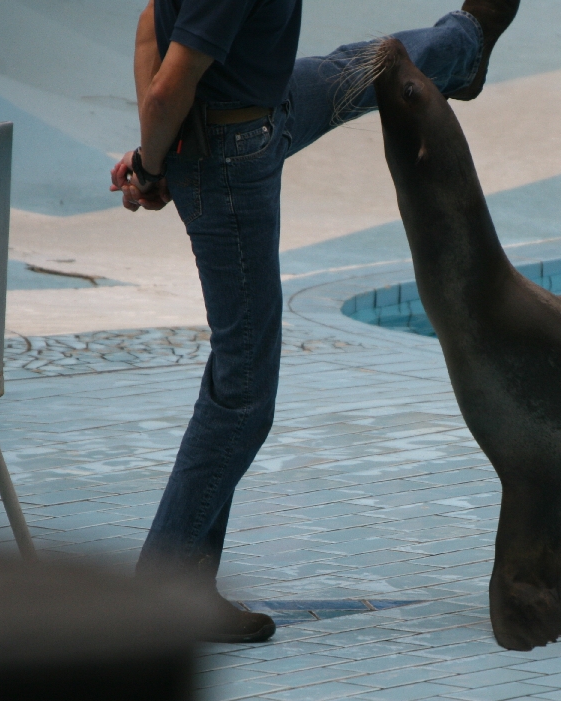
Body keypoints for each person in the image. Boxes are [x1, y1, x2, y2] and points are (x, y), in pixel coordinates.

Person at [109, 0, 519, 643]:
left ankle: (467, 44)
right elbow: (167, 89)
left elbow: (148, 24)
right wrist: (155, 164)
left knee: (365, 66)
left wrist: (157, 154)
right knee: (243, 395)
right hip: (229, 157)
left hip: (262, 107)